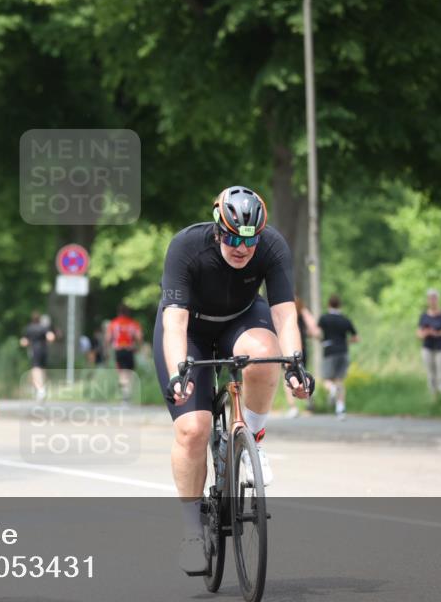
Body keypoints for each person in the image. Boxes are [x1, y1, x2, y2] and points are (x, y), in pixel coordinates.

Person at [154, 185, 314, 574]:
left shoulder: (273, 246)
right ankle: (192, 532)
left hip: (242, 319)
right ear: (216, 228)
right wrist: (179, 371)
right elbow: (174, 323)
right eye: (231, 238)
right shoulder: (186, 246)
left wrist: (296, 365)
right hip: (189, 328)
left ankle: (252, 439)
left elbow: (285, 316)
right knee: (193, 428)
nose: (241, 248)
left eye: (249, 240)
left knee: (265, 355)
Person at [317, 294, 359, 419]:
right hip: (343, 351)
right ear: (340, 305)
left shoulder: (324, 318)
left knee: (326, 379)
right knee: (340, 380)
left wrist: (321, 339)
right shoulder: (345, 320)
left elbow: (316, 332)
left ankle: (332, 389)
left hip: (329, 351)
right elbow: (356, 337)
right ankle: (340, 409)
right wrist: (346, 342)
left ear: (329, 304)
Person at [284, 294, 321, 418]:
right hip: (301, 350)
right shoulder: (301, 312)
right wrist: (304, 309)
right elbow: (314, 329)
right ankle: (308, 399)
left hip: (286, 349)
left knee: (288, 376)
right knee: (303, 372)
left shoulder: (284, 313)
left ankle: (293, 407)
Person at [417, 289, 441, 395]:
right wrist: (426, 333)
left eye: (434, 298)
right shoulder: (424, 316)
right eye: (430, 298)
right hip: (428, 347)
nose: (432, 300)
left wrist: (437, 333)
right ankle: (433, 397)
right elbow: (418, 333)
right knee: (431, 374)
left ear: (438, 299)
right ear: (428, 300)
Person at [107, 304, 143, 403]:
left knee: (122, 372)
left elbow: (108, 338)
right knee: (129, 372)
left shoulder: (113, 323)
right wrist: (138, 347)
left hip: (118, 350)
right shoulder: (133, 323)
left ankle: (124, 394)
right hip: (129, 350)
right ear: (128, 313)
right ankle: (127, 393)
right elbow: (139, 337)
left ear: (118, 312)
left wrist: (107, 349)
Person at [20, 311, 55, 402]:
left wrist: (28, 342)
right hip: (44, 350)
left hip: (34, 350)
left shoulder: (29, 328)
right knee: (43, 369)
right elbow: (51, 337)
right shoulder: (44, 327)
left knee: (35, 369)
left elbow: (23, 342)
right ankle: (42, 387)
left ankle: (40, 389)